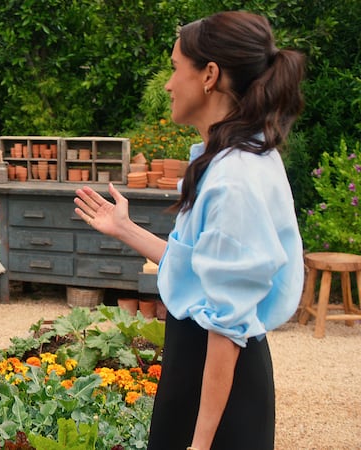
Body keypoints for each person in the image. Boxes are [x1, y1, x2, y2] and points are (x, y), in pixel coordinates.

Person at [74, 12, 305, 450]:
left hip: (218, 390)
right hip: (200, 371)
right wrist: (126, 229)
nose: (168, 83)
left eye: (176, 67)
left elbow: (226, 329)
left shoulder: (234, 177)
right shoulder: (230, 158)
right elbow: (201, 271)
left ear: (209, 76)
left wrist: (199, 445)